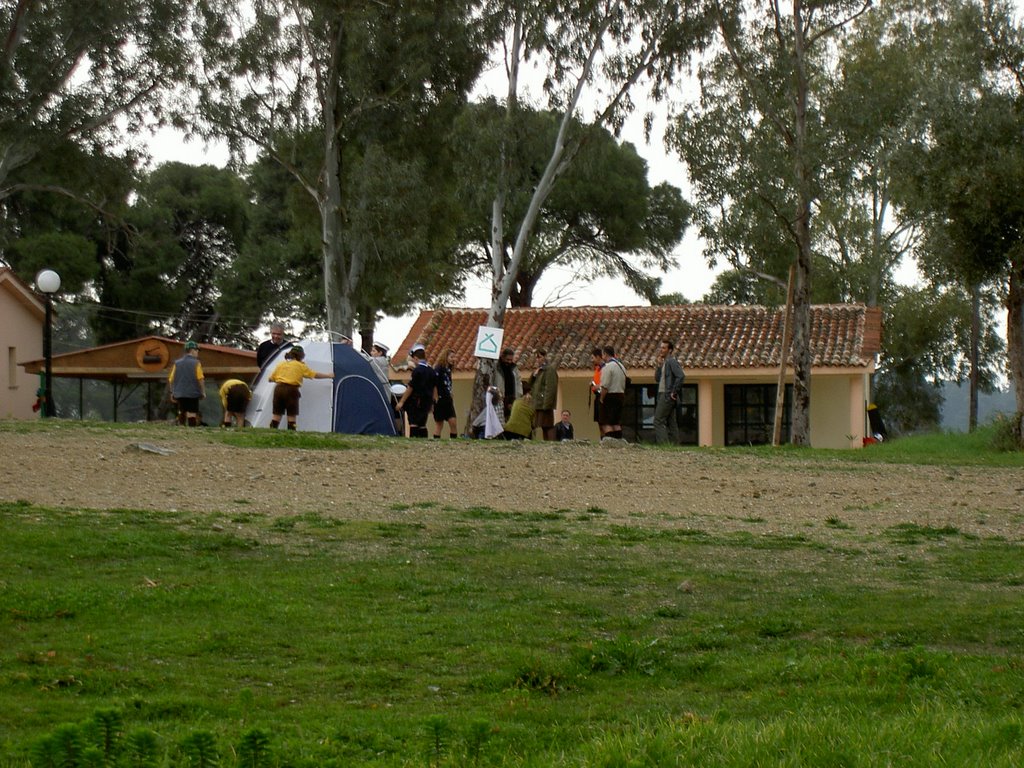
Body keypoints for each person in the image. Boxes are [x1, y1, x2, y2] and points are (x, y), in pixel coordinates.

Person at [268, 345, 334, 430]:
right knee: (291, 413)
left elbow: (271, 378)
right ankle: (291, 432)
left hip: (279, 389)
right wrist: (328, 375)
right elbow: (314, 374)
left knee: (276, 413)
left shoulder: (281, 364)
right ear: (301, 355)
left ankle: (272, 431)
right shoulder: (300, 366)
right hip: (291, 390)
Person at [395, 345, 436, 438]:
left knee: (413, 422)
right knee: (422, 424)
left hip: (416, 400)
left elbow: (411, 387)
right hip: (427, 401)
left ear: (415, 358)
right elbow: (434, 387)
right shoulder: (431, 371)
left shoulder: (417, 370)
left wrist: (401, 402)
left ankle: (413, 441)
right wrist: (432, 403)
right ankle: (423, 441)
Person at [653, 339, 685, 444]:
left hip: (666, 394)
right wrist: (659, 366)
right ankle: (675, 445)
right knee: (671, 421)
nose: (661, 350)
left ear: (670, 350)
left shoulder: (671, 361)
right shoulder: (664, 363)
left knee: (658, 420)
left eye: (663, 348)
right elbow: (657, 379)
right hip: (662, 393)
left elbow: (680, 376)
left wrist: (673, 392)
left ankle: (664, 444)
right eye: (660, 347)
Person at [169, 340, 205, 427]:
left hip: (180, 393)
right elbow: (200, 379)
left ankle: (181, 427)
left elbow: (171, 379)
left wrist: (172, 392)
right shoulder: (196, 363)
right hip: (193, 393)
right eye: (197, 350)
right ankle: (191, 430)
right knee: (192, 412)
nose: (197, 352)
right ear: (192, 350)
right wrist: (203, 392)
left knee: (182, 410)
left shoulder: (177, 363)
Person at [529, 348, 559, 441]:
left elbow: (550, 388)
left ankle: (551, 442)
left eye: (539, 357)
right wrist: (534, 375)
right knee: (542, 425)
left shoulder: (549, 370)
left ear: (544, 357)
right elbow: (530, 384)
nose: (538, 359)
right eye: (536, 358)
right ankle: (546, 442)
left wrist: (547, 404)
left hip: (544, 403)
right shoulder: (539, 370)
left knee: (548, 425)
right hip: (538, 403)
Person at [598, 345, 627, 440]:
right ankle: (619, 440)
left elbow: (605, 385)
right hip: (620, 395)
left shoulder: (607, 367)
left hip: (610, 396)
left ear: (605, 354)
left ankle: (610, 442)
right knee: (616, 422)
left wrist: (601, 398)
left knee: (606, 422)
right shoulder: (621, 366)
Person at [432, 348, 458, 438]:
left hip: (448, 399)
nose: (453, 359)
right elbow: (434, 383)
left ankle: (454, 441)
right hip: (440, 398)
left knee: (453, 422)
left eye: (454, 357)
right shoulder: (439, 368)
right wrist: (435, 397)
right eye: (451, 357)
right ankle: (436, 441)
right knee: (439, 423)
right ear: (446, 357)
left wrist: (450, 392)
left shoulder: (449, 370)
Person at [494, 347, 522, 422]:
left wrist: (519, 396)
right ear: (502, 357)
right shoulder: (496, 368)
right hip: (500, 400)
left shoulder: (514, 368)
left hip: (513, 400)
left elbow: (519, 383)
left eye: (511, 360)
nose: (509, 362)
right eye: (507, 360)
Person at [589, 347, 604, 424]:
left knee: (604, 422)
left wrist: (598, 386)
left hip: (603, 397)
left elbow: (607, 382)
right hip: (597, 396)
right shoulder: (597, 369)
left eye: (593, 358)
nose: (592, 360)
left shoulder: (605, 368)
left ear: (598, 357)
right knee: (599, 422)